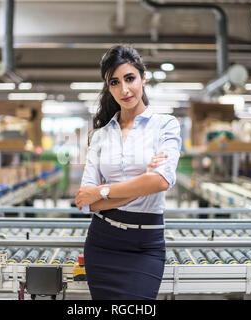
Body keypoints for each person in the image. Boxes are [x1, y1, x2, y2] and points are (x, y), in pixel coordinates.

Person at [75, 44, 181, 300]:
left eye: (130, 78)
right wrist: (142, 181)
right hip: (102, 242)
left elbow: (160, 181)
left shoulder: (165, 125)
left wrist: (103, 192)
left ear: (143, 78)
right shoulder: (100, 136)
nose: (124, 89)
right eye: (114, 82)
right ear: (108, 87)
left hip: (145, 245)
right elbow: (84, 201)